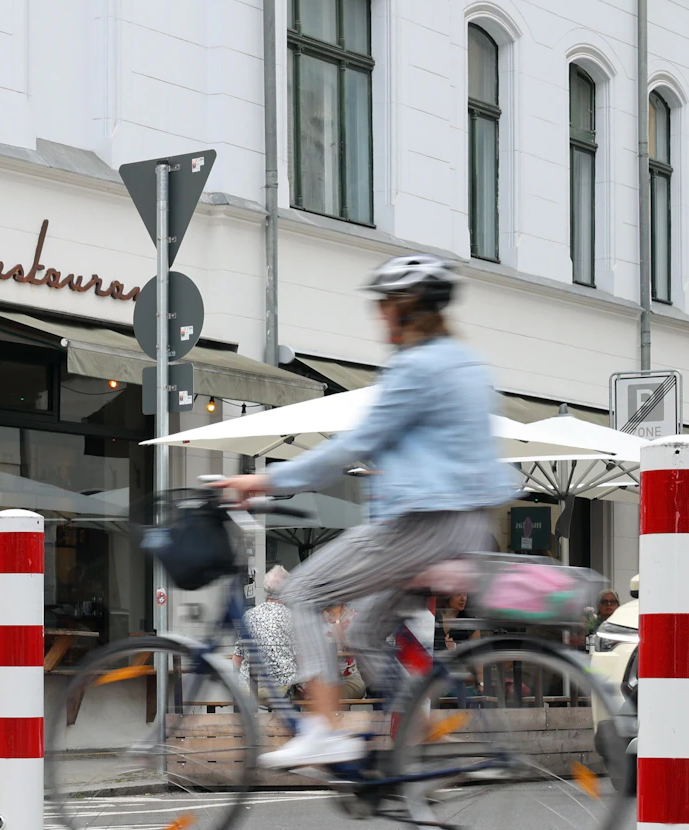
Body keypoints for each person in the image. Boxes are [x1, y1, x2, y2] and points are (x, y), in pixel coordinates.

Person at [213, 254, 518, 768]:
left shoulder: (417, 368)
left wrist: (264, 480)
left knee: (303, 593)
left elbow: (352, 446)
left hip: (422, 524)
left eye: (384, 308)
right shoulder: (467, 365)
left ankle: (322, 728)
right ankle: (416, 737)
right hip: (465, 525)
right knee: (362, 633)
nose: (379, 318)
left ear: (404, 310)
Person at [237, 564, 298, 697]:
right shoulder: (291, 617)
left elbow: (237, 659)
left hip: (248, 688)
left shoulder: (248, 615)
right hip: (281, 689)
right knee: (300, 690)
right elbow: (300, 658)